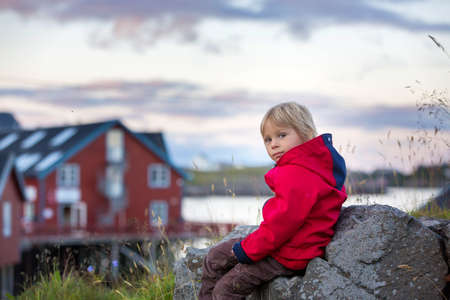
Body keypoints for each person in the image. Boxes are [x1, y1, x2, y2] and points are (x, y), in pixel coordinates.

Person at [199, 102, 347, 300]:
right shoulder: (314, 166)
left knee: (225, 290)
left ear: (306, 132)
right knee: (215, 257)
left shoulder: (296, 173)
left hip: (289, 253)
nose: (273, 144)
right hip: (287, 245)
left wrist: (246, 250)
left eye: (281, 135)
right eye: (267, 139)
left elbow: (280, 227)